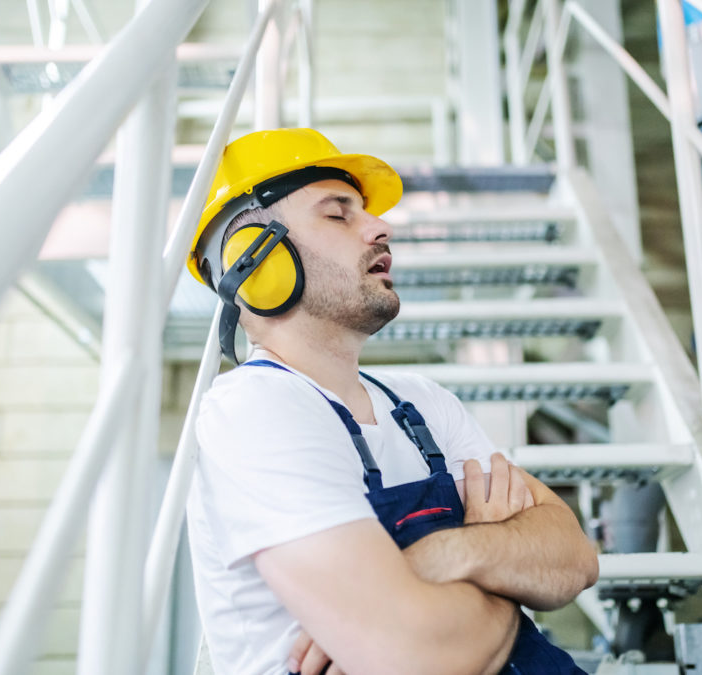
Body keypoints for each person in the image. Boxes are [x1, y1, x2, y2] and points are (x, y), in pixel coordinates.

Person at [184, 128, 599, 675]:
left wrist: (445, 554)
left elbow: (573, 558)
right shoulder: (253, 410)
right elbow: (419, 656)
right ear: (254, 260)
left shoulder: (423, 402)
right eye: (339, 214)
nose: (381, 227)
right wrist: (499, 561)